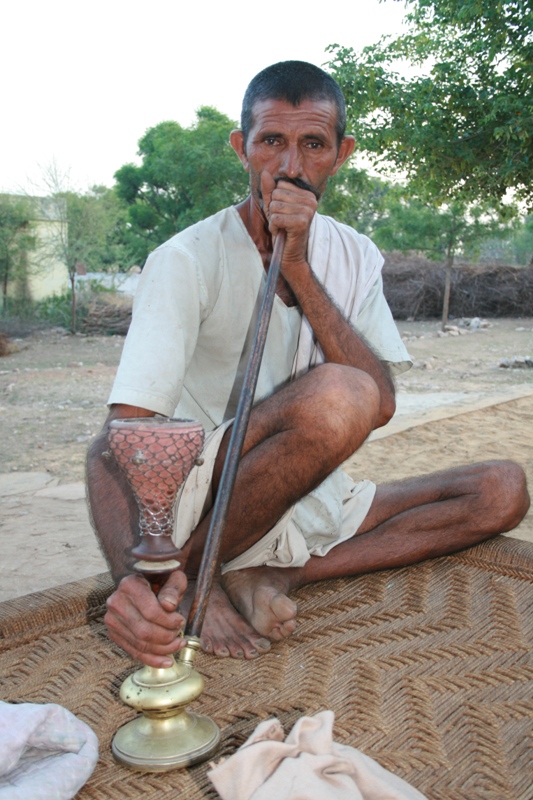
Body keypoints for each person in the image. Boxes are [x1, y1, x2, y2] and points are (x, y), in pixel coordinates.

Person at [87, 61, 530, 668]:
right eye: (272, 141)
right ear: (243, 148)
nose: (290, 166)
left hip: (305, 494)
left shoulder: (354, 254)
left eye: (312, 144)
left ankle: (271, 571)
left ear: (339, 153)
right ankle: (191, 578)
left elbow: (382, 404)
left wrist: (297, 267)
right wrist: (132, 581)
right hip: (206, 497)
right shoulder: (185, 258)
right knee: (338, 394)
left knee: (502, 490)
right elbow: (120, 441)